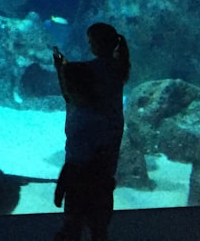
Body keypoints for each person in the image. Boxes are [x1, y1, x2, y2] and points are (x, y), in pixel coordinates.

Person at [52, 22, 131, 241]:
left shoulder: (87, 75)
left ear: (95, 43)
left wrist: (61, 68)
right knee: (99, 228)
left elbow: (69, 93)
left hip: (80, 165)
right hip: (105, 165)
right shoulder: (117, 70)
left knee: (72, 224)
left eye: (90, 41)